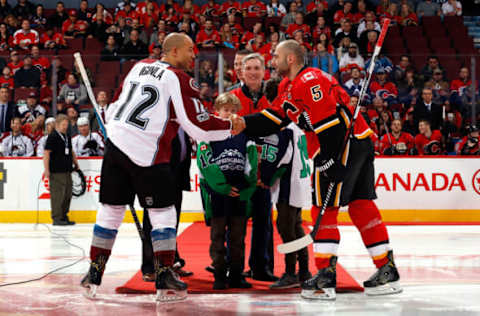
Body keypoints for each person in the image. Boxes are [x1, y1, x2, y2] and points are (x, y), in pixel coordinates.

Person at [80, 32, 243, 302]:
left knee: (110, 210)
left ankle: (93, 273)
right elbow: (197, 126)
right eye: (190, 50)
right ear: (175, 51)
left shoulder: (138, 66)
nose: (194, 55)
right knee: (163, 213)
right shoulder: (178, 78)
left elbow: (113, 108)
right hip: (148, 153)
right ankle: (164, 275)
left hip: (115, 146)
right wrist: (230, 126)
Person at [237, 40, 402, 300]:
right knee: (361, 205)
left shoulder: (310, 79)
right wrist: (242, 123)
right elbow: (275, 119)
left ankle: (325, 277)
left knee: (323, 211)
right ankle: (386, 269)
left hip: (342, 144)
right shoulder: (287, 86)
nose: (273, 59)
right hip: (356, 141)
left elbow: (331, 122)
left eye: (276, 56)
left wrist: (328, 160)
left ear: (290, 59)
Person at [197, 92, 257, 290]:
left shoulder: (245, 137)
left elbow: (252, 163)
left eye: (233, 111)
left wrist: (246, 187)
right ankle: (220, 274)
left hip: (239, 190)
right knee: (217, 236)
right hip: (218, 193)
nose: (229, 114)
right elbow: (205, 162)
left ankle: (237, 274)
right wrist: (222, 186)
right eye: (225, 110)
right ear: (217, 112)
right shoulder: (209, 135)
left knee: (238, 237)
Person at [259, 78, 312, 289]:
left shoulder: (281, 123)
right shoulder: (296, 121)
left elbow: (278, 156)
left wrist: (265, 178)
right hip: (300, 179)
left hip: (288, 183)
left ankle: (291, 272)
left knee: (285, 227)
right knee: (296, 226)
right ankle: (305, 270)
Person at [231, 53, 277, 282]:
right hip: (239, 170)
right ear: (241, 72)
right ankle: (234, 268)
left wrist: (267, 169)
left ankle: (262, 267)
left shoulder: (273, 96)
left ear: (264, 71)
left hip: (265, 170)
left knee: (264, 220)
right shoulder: (232, 97)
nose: (252, 72)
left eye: (257, 68)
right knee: (236, 221)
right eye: (248, 68)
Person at [43, 114, 79, 226]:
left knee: (67, 194)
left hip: (67, 169)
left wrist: (75, 162)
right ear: (57, 124)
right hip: (56, 170)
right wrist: (47, 169)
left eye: (66, 125)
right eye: (63, 125)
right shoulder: (52, 136)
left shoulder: (67, 136)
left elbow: (71, 150)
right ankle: (57, 218)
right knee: (58, 195)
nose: (65, 127)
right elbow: (46, 153)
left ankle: (64, 215)